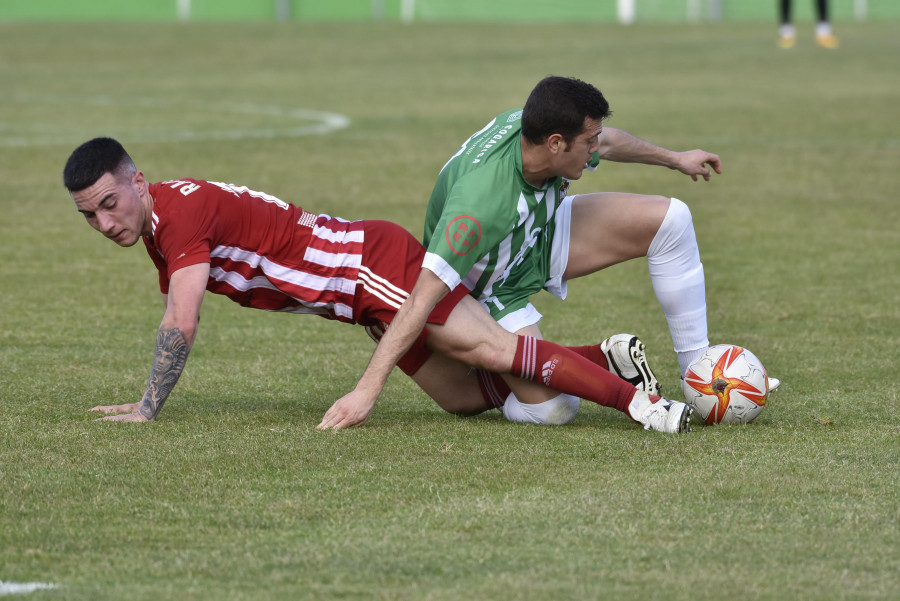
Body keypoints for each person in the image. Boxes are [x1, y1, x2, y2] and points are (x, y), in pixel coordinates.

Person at [63, 137, 692, 433]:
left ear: (138, 181)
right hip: (355, 294)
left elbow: (182, 320)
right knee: (467, 398)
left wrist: (147, 407)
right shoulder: (158, 219)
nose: (103, 222)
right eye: (89, 214)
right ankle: (604, 358)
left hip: (369, 267)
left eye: (109, 203)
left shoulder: (180, 216)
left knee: (495, 352)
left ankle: (643, 408)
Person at [321, 75, 777, 430]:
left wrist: (675, 157)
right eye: (588, 143)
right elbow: (421, 296)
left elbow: (610, 140)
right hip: (489, 288)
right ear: (555, 143)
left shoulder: (542, 133)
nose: (596, 150)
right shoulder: (480, 206)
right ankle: (547, 365)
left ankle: (699, 376)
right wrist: (365, 391)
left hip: (537, 234)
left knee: (671, 220)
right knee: (557, 409)